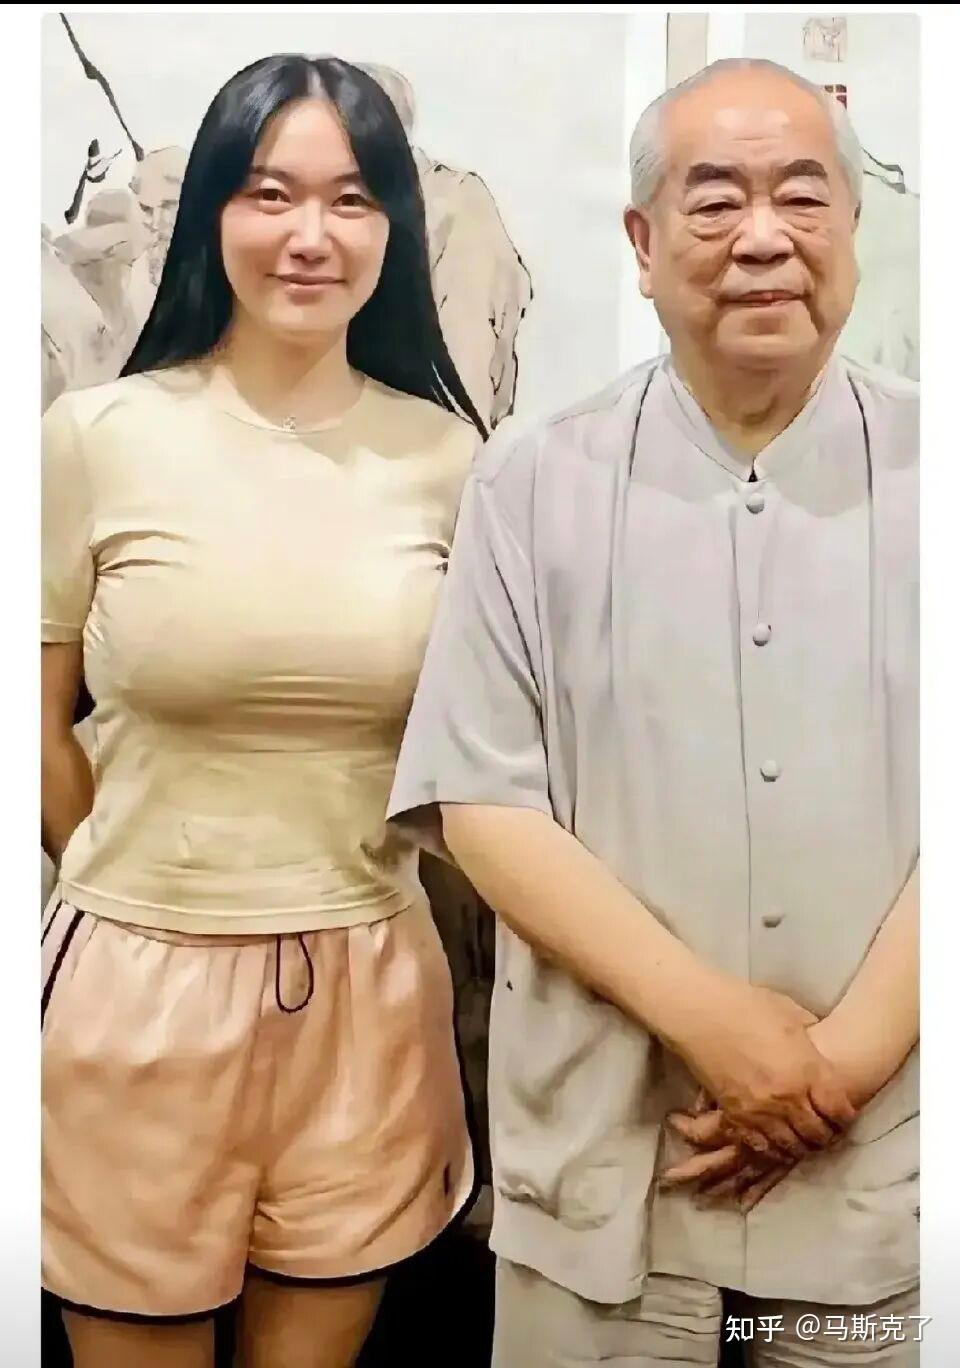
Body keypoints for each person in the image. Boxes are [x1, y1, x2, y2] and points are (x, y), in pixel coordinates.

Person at [386, 58, 919, 1367]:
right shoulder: (529, 481)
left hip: (883, 1173)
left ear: (853, 229)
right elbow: (483, 801)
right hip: (608, 1170)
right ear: (641, 242)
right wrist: (718, 1026)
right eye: (715, 200)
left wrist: (838, 1065)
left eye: (803, 197)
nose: (763, 238)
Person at [41, 53, 485, 1368]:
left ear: (394, 229)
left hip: (372, 985)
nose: (310, 235)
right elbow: (32, 716)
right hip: (139, 984)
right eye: (269, 193)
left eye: (351, 199)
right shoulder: (96, 434)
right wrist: (134, 879)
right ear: (211, 217)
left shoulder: (450, 458)